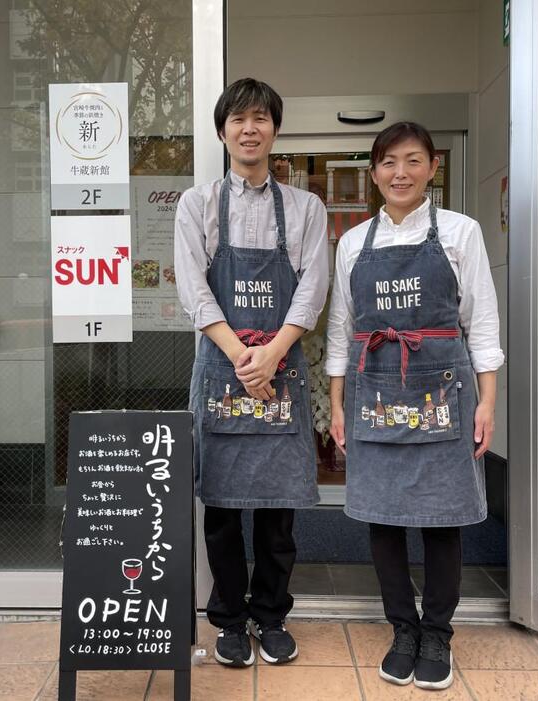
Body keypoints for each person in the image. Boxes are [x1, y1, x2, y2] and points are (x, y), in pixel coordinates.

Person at [325, 121, 503, 690]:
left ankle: (437, 634)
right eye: (388, 163)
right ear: (374, 173)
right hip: (374, 391)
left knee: (442, 519)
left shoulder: (460, 232)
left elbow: (482, 322)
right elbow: (339, 330)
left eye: (412, 161)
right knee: (382, 517)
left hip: (446, 395)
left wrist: (488, 402)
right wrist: (336, 406)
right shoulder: (354, 243)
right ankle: (402, 628)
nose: (399, 173)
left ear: (432, 168)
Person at [174, 78, 329, 668]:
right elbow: (194, 289)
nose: (249, 129)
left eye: (260, 118)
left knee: (276, 511)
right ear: (222, 132)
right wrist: (244, 356)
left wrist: (272, 354)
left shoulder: (306, 207)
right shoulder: (199, 204)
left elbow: (312, 288)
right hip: (222, 370)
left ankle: (271, 615)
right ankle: (229, 620)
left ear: (274, 130)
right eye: (237, 120)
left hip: (280, 370)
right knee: (220, 509)